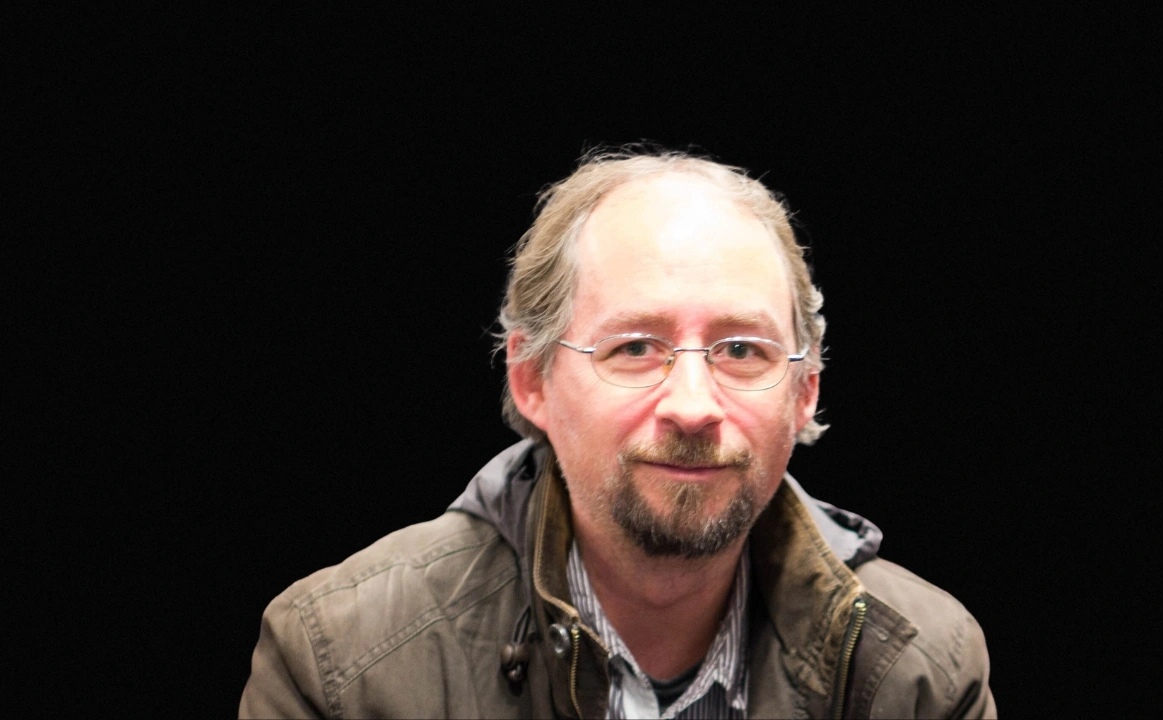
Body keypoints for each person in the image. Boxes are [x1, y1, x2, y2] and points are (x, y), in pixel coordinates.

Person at [239, 150, 996, 719]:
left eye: (741, 350)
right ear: (532, 380)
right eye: (635, 347)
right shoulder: (343, 665)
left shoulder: (919, 672)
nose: (693, 406)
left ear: (805, 392)